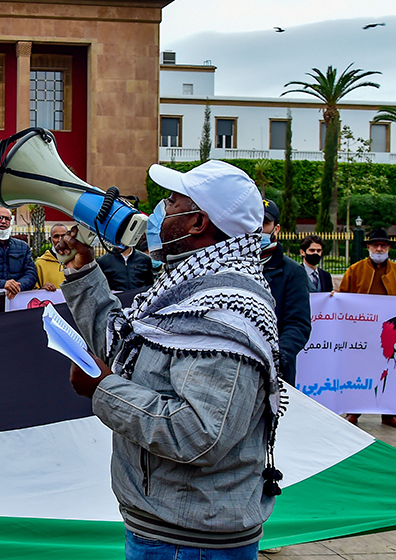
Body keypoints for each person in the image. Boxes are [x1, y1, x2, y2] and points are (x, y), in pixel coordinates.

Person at [58, 160, 280, 559]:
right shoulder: (189, 287)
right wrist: (84, 273)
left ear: (198, 223)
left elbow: (199, 435)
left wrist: (103, 390)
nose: (163, 208)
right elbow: (125, 350)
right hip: (168, 527)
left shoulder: (225, 311)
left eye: (175, 200)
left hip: (189, 542)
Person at [337, 228, 396, 429]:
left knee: (391, 372)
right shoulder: (355, 270)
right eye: (375, 245)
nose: (379, 249)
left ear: (389, 248)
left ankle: (389, 414)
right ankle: (353, 411)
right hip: (361, 333)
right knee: (358, 371)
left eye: (383, 245)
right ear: (369, 248)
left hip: (392, 334)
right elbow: (342, 299)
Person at [258, 199, 312, 386]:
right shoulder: (232, 264)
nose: (258, 229)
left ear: (276, 229)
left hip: (275, 372)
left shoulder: (292, 271)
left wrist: (278, 357)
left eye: (264, 224)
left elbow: (298, 324)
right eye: (253, 222)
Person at [34, 224, 70, 291]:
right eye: (56, 236)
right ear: (50, 240)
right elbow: (32, 291)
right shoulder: (40, 264)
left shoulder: (77, 261)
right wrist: (42, 290)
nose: (60, 240)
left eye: (63, 236)